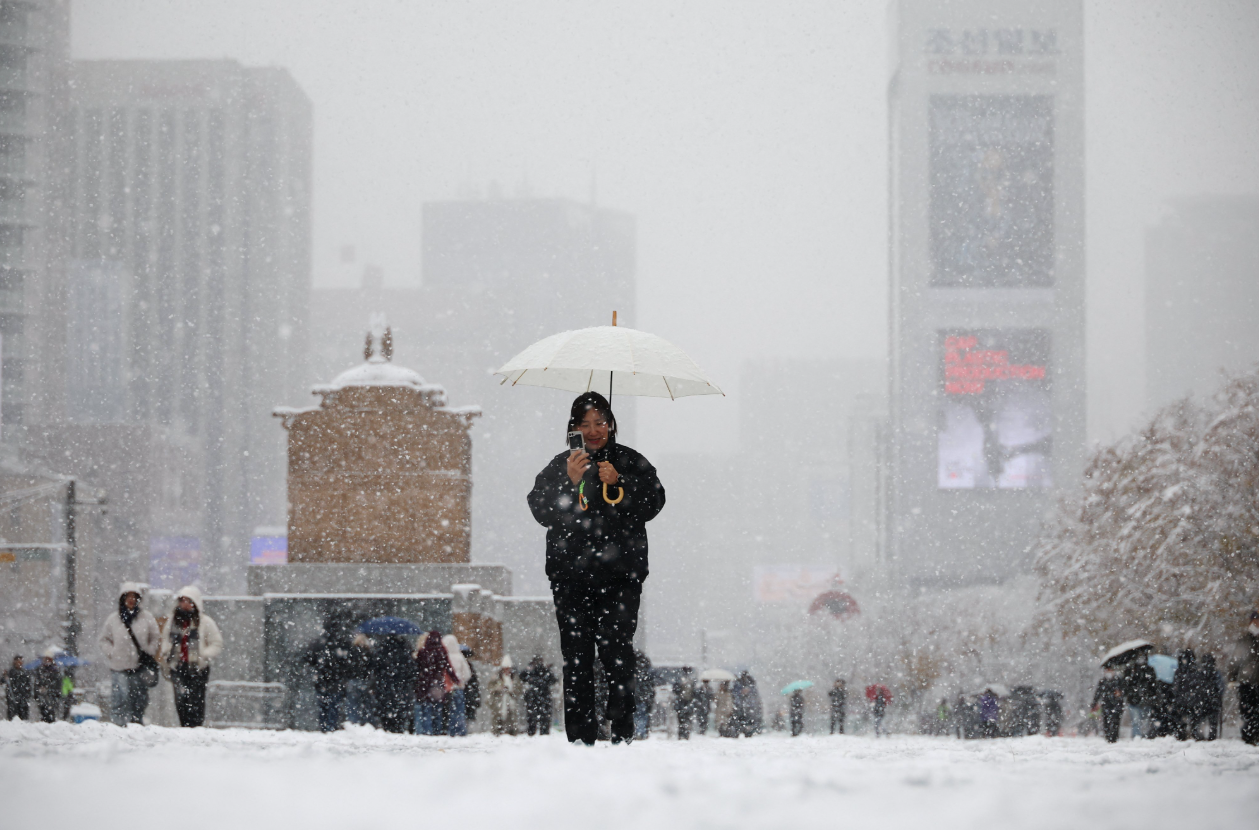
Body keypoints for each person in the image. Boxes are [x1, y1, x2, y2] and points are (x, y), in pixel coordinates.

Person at [528, 392, 666, 745]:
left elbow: (653, 503)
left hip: (620, 578)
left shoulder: (630, 462)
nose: (593, 431)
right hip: (570, 578)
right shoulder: (562, 465)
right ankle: (581, 736)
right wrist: (570, 483)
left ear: (612, 425)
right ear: (573, 428)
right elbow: (541, 510)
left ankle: (621, 730)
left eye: (600, 423)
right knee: (576, 658)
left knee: (617, 652)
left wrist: (619, 482)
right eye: (584, 424)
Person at [157, 586, 223, 728]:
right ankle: (185, 727)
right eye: (182, 600)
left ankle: (195, 728)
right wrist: (167, 652)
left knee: (196, 701)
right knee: (180, 700)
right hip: (178, 666)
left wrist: (204, 655)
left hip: (198, 668)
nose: (185, 604)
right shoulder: (173, 621)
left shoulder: (205, 622)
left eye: (189, 601)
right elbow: (165, 639)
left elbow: (216, 643)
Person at [98, 582, 161, 725]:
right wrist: (112, 652)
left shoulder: (146, 617)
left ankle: (135, 725)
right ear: (122, 599)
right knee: (120, 698)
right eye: (128, 596)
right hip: (118, 666)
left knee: (139, 700)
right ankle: (118, 727)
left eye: (134, 597)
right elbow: (103, 640)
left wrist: (149, 650)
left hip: (139, 666)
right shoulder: (113, 619)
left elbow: (155, 636)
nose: (131, 600)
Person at [303, 623, 364, 733]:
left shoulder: (319, 644)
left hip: (322, 681)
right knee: (333, 706)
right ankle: (331, 727)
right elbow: (349, 663)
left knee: (324, 707)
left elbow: (308, 658)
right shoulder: (342, 644)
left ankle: (325, 727)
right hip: (336, 681)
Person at [369, 634, 417, 733]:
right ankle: (398, 727)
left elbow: (375, 667)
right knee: (400, 711)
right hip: (401, 686)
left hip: (385, 685)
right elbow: (412, 670)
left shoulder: (382, 649)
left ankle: (388, 727)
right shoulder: (405, 649)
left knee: (385, 710)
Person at [413, 631, 455, 735]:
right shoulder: (442, 651)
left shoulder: (423, 652)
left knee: (426, 709)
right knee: (437, 710)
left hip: (424, 684)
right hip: (438, 684)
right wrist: (455, 679)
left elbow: (417, 668)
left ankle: (426, 731)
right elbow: (448, 667)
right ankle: (437, 730)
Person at [1227, 610, 1259, 745]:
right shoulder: (1244, 640)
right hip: (1246, 682)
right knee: (1247, 712)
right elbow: (1235, 660)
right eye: (1254, 621)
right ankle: (1248, 737)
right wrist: (1232, 678)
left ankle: (1254, 736)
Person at [1171, 649, 1210, 741]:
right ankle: (1185, 735)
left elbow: (1198, 686)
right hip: (1187, 701)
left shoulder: (1192, 671)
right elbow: (1176, 686)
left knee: (1192, 722)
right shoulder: (1182, 671)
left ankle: (1189, 736)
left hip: (1191, 701)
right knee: (1186, 722)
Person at [441, 635, 473, 736]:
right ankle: (460, 731)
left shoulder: (443, 657)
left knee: (447, 711)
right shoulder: (460, 657)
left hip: (445, 689)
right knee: (459, 711)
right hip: (458, 688)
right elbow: (467, 674)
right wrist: (460, 681)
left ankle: (449, 730)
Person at [519, 655, 557, 736]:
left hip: (541, 697)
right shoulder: (531, 671)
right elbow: (522, 676)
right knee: (533, 719)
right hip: (535, 698)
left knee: (543, 718)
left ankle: (541, 733)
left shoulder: (544, 671)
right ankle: (534, 732)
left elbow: (553, 680)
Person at [1122, 656, 1160, 739]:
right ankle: (1137, 738)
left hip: (1146, 700)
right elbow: (1125, 685)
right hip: (1133, 700)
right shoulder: (1130, 670)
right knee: (1136, 722)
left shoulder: (1149, 670)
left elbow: (1153, 685)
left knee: (1145, 721)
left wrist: (1152, 696)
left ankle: (1145, 737)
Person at [486, 656, 522, 736]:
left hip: (510, 699)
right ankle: (498, 731)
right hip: (499, 700)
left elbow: (519, 689)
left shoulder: (514, 677)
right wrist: (498, 688)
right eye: (505, 668)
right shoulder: (496, 677)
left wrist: (512, 690)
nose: (506, 670)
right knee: (498, 716)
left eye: (508, 668)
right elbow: (490, 687)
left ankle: (511, 731)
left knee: (511, 715)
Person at [1092, 669, 1125, 743]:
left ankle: (1114, 738)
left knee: (1115, 721)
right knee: (1106, 721)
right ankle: (1108, 737)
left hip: (1117, 705)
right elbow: (1098, 693)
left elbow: (1123, 691)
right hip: (1106, 704)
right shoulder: (1102, 681)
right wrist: (1094, 703)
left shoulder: (1118, 680)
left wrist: (1120, 693)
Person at [32, 649, 63, 723]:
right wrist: (38, 693)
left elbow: (58, 685)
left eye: (48, 659)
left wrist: (50, 690)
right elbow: (37, 683)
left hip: (52, 696)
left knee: (51, 714)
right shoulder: (40, 670)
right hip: (42, 697)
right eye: (45, 658)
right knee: (43, 714)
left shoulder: (55, 671)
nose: (46, 660)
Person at [732, 670, 763, 737]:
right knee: (744, 720)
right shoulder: (748, 682)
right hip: (745, 706)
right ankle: (745, 731)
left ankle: (746, 731)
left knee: (745, 720)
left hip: (746, 706)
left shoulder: (743, 682)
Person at [1201, 654, 1224, 741]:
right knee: (1213, 721)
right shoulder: (1216, 672)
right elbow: (1221, 686)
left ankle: (1200, 736)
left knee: (1201, 719)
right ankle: (1212, 736)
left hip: (1203, 699)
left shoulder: (1201, 672)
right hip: (1214, 699)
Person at [633, 650, 654, 739]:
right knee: (642, 714)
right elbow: (650, 684)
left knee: (635, 714)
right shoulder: (646, 672)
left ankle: (635, 732)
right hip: (644, 696)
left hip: (634, 695)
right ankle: (640, 732)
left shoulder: (632, 670)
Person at [673, 668, 696, 740]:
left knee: (682, 720)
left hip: (683, 703)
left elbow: (675, 690)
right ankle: (684, 734)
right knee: (685, 719)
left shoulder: (681, 679)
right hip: (685, 702)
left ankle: (683, 734)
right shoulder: (690, 680)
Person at [6, 655, 31, 720]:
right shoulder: (10, 672)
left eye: (21, 661)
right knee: (13, 717)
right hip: (13, 698)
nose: (20, 663)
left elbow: (28, 685)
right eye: (18, 661)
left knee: (24, 717)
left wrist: (28, 695)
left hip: (23, 698)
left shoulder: (25, 672)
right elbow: (4, 681)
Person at [462, 646, 481, 726]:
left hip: (466, 693)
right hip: (468, 694)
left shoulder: (468, 666)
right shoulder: (469, 666)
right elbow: (474, 683)